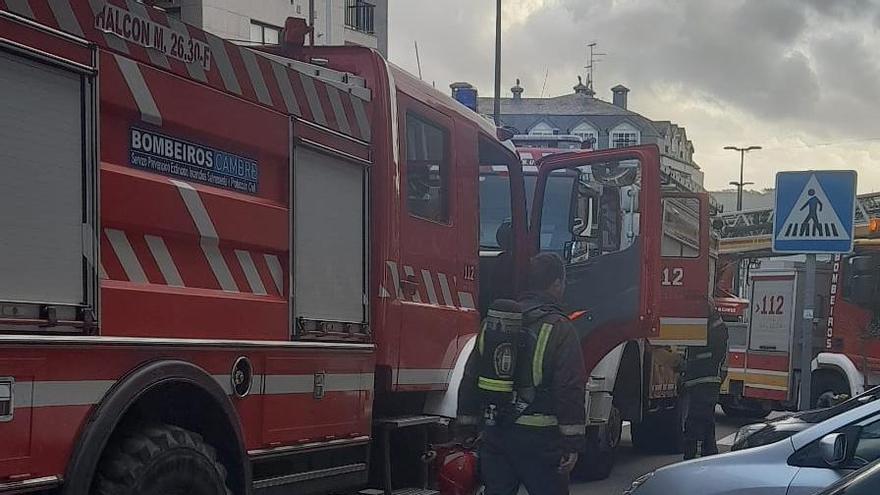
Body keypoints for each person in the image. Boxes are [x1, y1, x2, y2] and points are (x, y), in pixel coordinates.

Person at [456, 252, 587, 495]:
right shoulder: (560, 328)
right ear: (557, 284)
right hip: (540, 440)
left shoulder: (494, 323)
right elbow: (569, 388)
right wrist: (572, 443)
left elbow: (471, 376)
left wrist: (467, 427)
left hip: (496, 434)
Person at [681, 301, 729, 460]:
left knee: (695, 421)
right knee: (707, 421)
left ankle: (691, 456)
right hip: (708, 381)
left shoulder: (712, 330)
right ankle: (708, 455)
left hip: (703, 380)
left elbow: (698, 355)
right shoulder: (716, 327)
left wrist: (684, 367)